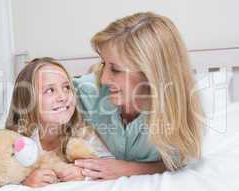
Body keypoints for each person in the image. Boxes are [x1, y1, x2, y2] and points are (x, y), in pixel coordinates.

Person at [72, 11, 203, 180]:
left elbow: (179, 160)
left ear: (152, 74)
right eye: (103, 63)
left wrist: (129, 169)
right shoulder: (90, 91)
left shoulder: (180, 114)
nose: (104, 79)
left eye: (116, 70)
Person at [0, 58, 109, 190]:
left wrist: (84, 173)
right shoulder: (15, 139)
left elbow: (106, 162)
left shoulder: (83, 130)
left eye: (66, 87)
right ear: (28, 101)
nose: (63, 96)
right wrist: (23, 180)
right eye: (50, 90)